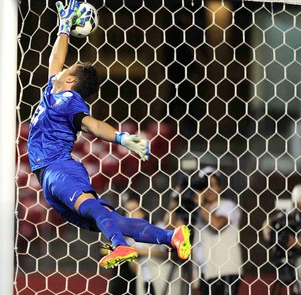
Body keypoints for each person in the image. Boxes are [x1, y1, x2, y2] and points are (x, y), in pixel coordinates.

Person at [28, 0, 191, 270]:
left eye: (68, 69)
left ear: (70, 81)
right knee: (110, 218)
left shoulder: (69, 99)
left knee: (94, 209)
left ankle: (120, 245)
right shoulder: (51, 92)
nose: (63, 67)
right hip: (48, 178)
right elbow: (55, 58)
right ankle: (171, 236)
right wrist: (64, 28)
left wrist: (122, 138)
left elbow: (91, 124)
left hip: (59, 168)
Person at [192, 167, 242, 295]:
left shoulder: (228, 205)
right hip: (207, 274)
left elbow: (218, 224)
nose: (207, 191)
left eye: (211, 185)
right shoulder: (200, 212)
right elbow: (196, 245)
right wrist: (195, 274)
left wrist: (201, 204)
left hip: (226, 271)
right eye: (203, 186)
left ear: (220, 186)